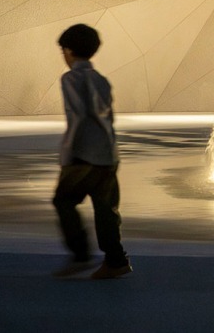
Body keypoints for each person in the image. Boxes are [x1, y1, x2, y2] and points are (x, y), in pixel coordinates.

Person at [51, 23, 131, 280]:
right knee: (106, 209)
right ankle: (116, 260)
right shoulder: (101, 79)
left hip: (83, 155)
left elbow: (78, 116)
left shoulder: (70, 78)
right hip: (108, 154)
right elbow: (108, 117)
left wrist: (67, 152)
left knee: (63, 201)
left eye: (63, 50)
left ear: (69, 50)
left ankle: (81, 255)